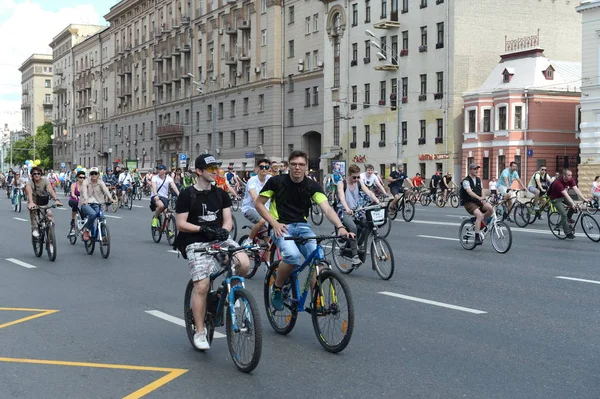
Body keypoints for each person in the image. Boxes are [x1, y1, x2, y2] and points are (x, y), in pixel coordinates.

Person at [255, 150, 352, 311]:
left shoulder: (312, 186)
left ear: (306, 166)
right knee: (292, 256)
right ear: (289, 166)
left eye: (301, 165)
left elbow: (327, 209)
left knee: (317, 259)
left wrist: (340, 227)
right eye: (293, 164)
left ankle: (317, 299)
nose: (297, 168)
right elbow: (258, 203)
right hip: (282, 226)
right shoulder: (277, 182)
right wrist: (273, 223)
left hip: (302, 226)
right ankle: (277, 288)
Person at [175, 154, 250, 350]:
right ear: (199, 171)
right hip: (195, 241)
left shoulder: (221, 194)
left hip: (218, 238)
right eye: (211, 169)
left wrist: (224, 230)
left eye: (217, 168)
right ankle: (200, 332)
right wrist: (202, 229)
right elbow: (181, 224)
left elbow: (227, 220)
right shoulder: (187, 194)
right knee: (202, 285)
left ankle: (226, 294)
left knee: (244, 263)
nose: (215, 172)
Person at [336, 164, 380, 265]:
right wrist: (347, 209)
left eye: (358, 177)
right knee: (353, 228)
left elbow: (368, 192)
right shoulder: (341, 183)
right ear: (349, 174)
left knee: (369, 223)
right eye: (354, 177)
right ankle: (355, 256)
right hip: (343, 211)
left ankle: (359, 244)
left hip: (356, 210)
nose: (356, 179)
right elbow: (342, 197)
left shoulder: (359, 182)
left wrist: (378, 201)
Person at [547, 169, 589, 239]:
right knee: (563, 214)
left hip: (562, 197)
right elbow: (566, 194)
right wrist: (573, 203)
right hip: (555, 199)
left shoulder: (570, 180)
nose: (570, 177)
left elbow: (576, 189)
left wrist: (584, 199)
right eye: (569, 175)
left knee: (573, 207)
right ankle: (567, 232)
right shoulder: (558, 183)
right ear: (564, 176)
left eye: (571, 175)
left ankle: (567, 218)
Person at [241, 159, 272, 247]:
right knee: (262, 221)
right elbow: (255, 198)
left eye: (266, 167)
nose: (264, 169)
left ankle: (268, 261)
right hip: (250, 208)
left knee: (268, 240)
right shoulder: (252, 181)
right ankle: (249, 240)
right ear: (257, 168)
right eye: (261, 167)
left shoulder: (270, 179)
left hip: (265, 209)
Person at [461, 163, 493, 245]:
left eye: (477, 169)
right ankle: (477, 237)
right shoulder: (466, 181)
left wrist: (483, 198)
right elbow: (469, 192)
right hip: (469, 202)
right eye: (474, 169)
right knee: (478, 214)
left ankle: (482, 222)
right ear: (470, 170)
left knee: (490, 208)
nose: (476, 171)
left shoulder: (479, 180)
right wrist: (479, 198)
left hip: (478, 201)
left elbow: (481, 190)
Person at [25, 167, 63, 238]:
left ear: (41, 174)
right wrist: (31, 203)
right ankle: (35, 229)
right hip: (32, 201)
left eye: (38, 173)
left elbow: (50, 190)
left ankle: (50, 234)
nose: (37, 175)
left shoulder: (45, 181)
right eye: (35, 174)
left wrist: (56, 200)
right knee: (33, 212)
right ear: (32, 175)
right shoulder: (29, 183)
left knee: (49, 215)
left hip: (42, 202)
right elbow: (29, 192)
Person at [80, 167, 113, 241]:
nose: (94, 175)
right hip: (86, 204)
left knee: (102, 218)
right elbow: (84, 190)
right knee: (93, 214)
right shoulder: (86, 181)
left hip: (97, 203)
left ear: (98, 174)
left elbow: (105, 190)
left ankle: (104, 237)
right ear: (90, 174)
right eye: (92, 173)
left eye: (95, 173)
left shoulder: (100, 182)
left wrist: (111, 198)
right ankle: (87, 230)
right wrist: (85, 199)